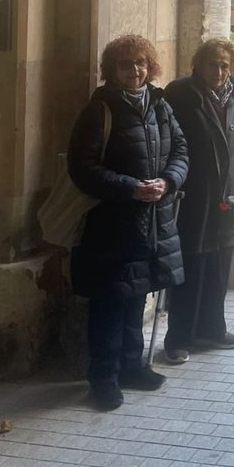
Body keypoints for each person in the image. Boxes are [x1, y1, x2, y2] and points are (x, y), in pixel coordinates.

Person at [67, 35, 188, 410]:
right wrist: (131, 188)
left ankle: (132, 366)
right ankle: (103, 378)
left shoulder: (160, 105)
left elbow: (182, 150)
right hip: (112, 224)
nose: (136, 70)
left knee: (138, 295)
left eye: (141, 63)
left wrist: (168, 181)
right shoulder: (99, 110)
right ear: (112, 70)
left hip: (153, 221)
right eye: (126, 65)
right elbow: (82, 168)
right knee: (109, 301)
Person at [163, 37, 234, 362]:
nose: (219, 71)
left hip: (229, 196)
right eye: (213, 64)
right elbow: (166, 142)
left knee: (220, 267)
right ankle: (179, 338)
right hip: (193, 197)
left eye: (225, 65)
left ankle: (211, 329)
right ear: (199, 64)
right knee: (191, 268)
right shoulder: (180, 93)